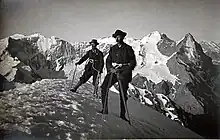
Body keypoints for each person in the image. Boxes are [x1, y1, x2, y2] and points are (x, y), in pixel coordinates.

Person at [98, 29, 137, 121]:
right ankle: (105, 109)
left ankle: (122, 115)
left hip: (124, 73)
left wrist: (123, 69)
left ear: (123, 37)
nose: (118, 38)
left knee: (123, 93)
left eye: (119, 36)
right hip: (113, 71)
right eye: (116, 36)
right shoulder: (113, 48)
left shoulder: (128, 48)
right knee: (104, 87)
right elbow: (108, 60)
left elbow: (132, 62)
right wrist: (110, 69)